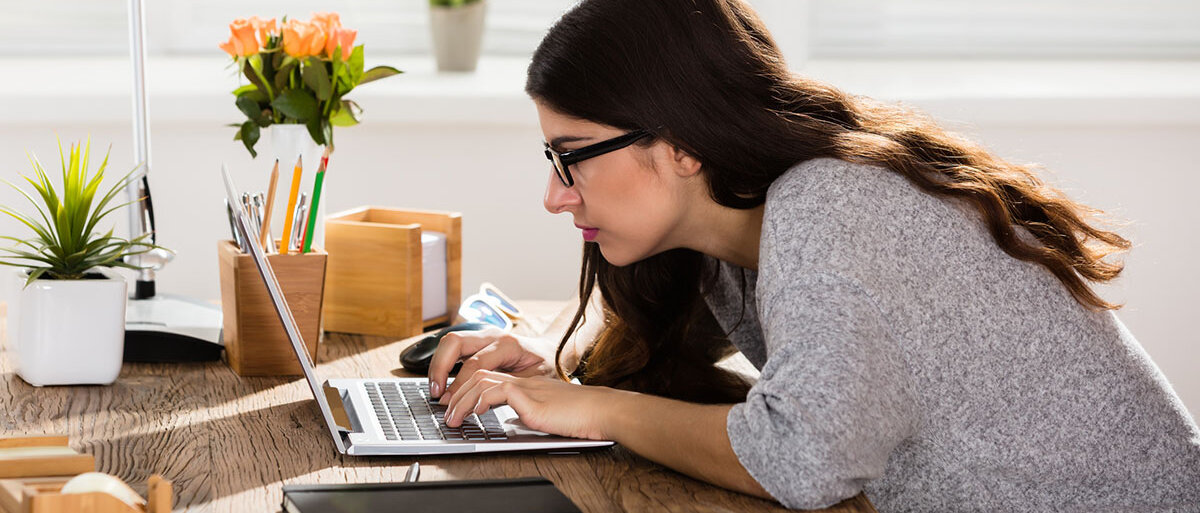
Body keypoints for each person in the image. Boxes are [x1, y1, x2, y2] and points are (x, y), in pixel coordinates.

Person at [426, 0, 1200, 510]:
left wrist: (589, 404)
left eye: (572, 157)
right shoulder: (733, 240)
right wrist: (553, 375)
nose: (555, 195)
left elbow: (802, 458)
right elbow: (772, 395)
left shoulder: (829, 205)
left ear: (682, 145)